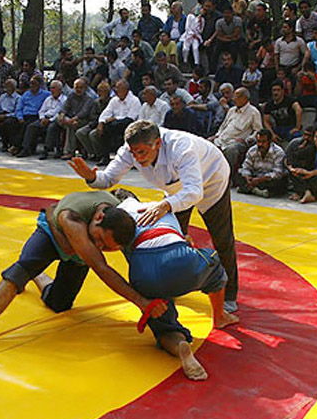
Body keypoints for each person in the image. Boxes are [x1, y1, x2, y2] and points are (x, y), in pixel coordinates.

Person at [69, 120, 240, 313]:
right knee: (175, 237)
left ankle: (229, 294)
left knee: (222, 237)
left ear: (158, 143)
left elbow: (194, 192)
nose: (137, 158)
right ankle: (174, 282)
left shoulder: (182, 147)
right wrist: (90, 176)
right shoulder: (131, 149)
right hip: (175, 188)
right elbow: (108, 179)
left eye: (142, 152)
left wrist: (166, 205)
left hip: (211, 178)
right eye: (133, 153)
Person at [0, 190, 165, 352]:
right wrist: (141, 302)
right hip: (51, 235)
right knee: (19, 272)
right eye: (98, 240)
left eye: (105, 247)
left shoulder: (120, 220)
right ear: (98, 217)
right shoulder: (73, 217)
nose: (98, 245)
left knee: (59, 304)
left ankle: (37, 275)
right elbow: (101, 267)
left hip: (77, 250)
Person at [110, 191, 238, 381]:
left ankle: (179, 346)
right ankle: (219, 315)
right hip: (179, 257)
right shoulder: (160, 205)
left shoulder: (118, 218)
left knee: (163, 326)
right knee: (214, 266)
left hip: (143, 271)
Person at [210, 87, 263, 184]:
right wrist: (216, 135)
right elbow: (223, 126)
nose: (234, 99)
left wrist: (248, 139)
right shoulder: (231, 110)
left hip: (237, 141)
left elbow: (258, 131)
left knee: (231, 150)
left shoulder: (253, 112)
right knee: (206, 143)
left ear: (245, 98)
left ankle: (227, 178)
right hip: (222, 139)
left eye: (237, 97)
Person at [92, 79, 140, 166]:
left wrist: (115, 118)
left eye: (118, 87)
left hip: (128, 124)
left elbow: (131, 117)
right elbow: (106, 112)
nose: (115, 90)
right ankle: (105, 157)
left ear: (125, 89)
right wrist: (101, 122)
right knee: (104, 128)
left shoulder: (134, 100)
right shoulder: (114, 100)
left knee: (112, 127)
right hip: (113, 124)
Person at [49, 78, 95, 160]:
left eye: (81, 87)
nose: (78, 89)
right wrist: (62, 115)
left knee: (71, 125)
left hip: (83, 120)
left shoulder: (89, 98)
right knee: (58, 118)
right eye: (76, 87)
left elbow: (84, 113)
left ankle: (69, 152)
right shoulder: (72, 95)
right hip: (69, 119)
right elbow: (65, 107)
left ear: (85, 88)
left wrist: (72, 120)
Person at [237, 128, 287, 198]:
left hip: (267, 179)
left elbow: (278, 173)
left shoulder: (278, 152)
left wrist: (260, 179)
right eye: (258, 141)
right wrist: (248, 177)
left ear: (269, 141)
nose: (260, 144)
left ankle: (250, 189)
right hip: (255, 176)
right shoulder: (252, 150)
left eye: (263, 142)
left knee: (279, 182)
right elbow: (246, 167)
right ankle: (256, 190)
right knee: (239, 174)